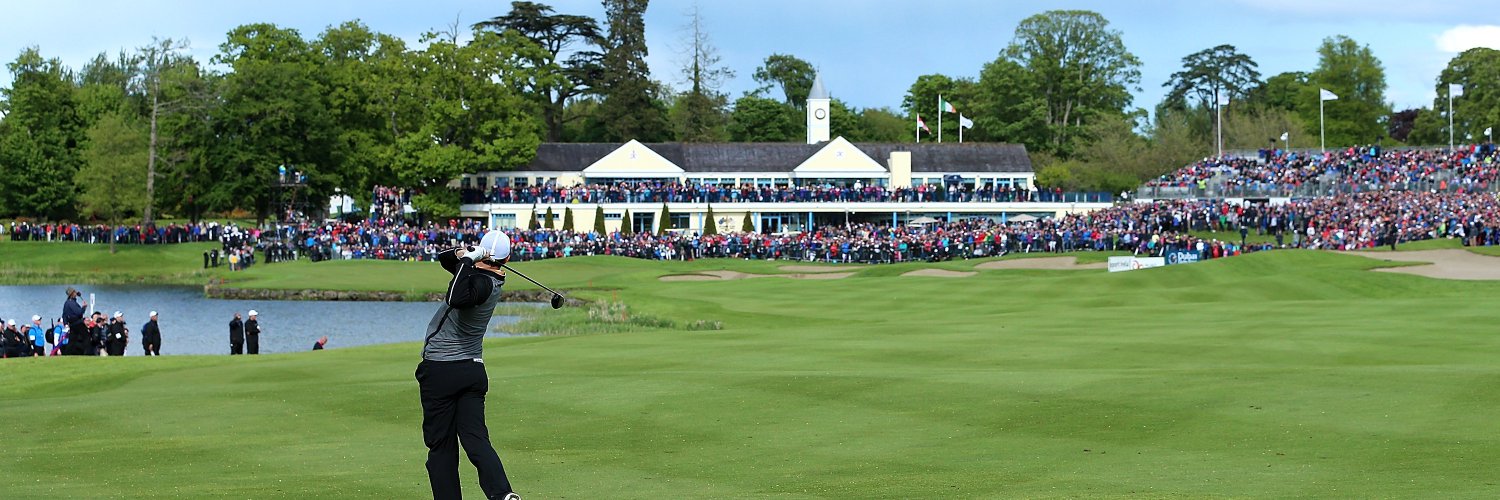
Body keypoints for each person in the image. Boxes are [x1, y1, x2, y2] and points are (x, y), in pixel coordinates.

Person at [416, 230, 521, 500]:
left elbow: (455, 298)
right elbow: (443, 259)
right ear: (507, 258)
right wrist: (463, 254)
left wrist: (465, 262)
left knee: (441, 446)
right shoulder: (492, 276)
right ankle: (502, 494)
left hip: (442, 369)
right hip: (472, 370)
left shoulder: (482, 283)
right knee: (475, 439)